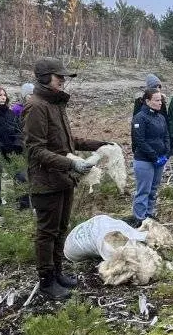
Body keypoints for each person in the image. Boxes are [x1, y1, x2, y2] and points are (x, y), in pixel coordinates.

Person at [23, 57, 109, 300]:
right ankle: (47, 281)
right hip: (46, 181)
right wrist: (72, 163)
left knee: (61, 229)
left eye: (64, 77)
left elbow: (66, 142)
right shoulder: (36, 106)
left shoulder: (55, 104)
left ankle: (58, 273)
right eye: (58, 76)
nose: (63, 80)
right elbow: (35, 150)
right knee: (47, 232)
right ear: (44, 78)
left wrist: (99, 144)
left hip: (63, 179)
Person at [130, 89, 170, 226]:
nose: (160, 103)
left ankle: (148, 214)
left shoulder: (161, 117)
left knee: (153, 189)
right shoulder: (140, 118)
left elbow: (166, 136)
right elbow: (139, 141)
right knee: (144, 190)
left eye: (161, 100)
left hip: (159, 160)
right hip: (144, 161)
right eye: (157, 100)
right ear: (148, 101)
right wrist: (154, 156)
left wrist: (166, 153)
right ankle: (139, 218)